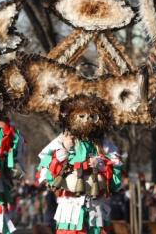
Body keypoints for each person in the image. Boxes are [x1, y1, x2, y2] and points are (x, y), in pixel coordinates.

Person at [37, 95, 123, 234]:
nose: (87, 120)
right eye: (81, 116)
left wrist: (100, 164)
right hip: (70, 207)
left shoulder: (103, 143)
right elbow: (46, 166)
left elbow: (116, 165)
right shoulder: (62, 139)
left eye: (92, 117)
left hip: (96, 207)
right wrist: (64, 149)